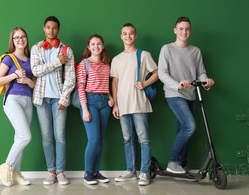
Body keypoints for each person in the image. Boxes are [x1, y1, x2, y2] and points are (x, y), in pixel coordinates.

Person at [158, 16, 215, 174]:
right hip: (174, 94)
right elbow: (162, 73)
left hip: (191, 95)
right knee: (190, 126)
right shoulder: (167, 49)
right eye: (181, 28)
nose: (184, 31)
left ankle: (182, 163)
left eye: (187, 29)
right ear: (175, 30)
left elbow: (201, 72)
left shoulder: (195, 51)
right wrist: (177, 85)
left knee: (183, 128)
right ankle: (173, 161)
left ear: (190, 31)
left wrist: (206, 82)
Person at [111, 23, 158, 186]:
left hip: (139, 103)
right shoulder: (116, 59)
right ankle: (131, 171)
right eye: (125, 34)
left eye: (131, 33)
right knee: (127, 138)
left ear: (135, 36)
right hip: (123, 105)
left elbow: (157, 73)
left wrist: (144, 84)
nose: (128, 36)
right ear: (121, 36)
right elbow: (115, 82)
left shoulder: (143, 55)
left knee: (143, 139)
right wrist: (115, 104)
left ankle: (144, 172)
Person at [30, 16, 75, 185]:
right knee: (46, 136)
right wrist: (57, 62)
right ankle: (51, 172)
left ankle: (61, 172)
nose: (51, 31)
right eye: (48, 27)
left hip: (59, 100)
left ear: (58, 30)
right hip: (41, 99)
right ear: (44, 29)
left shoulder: (66, 50)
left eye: (54, 28)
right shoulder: (36, 48)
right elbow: (36, 70)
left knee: (60, 136)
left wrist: (64, 98)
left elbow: (71, 77)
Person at [0, 27, 36, 187]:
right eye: (17, 37)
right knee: (26, 136)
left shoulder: (32, 59)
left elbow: (34, 84)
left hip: (27, 100)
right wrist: (15, 75)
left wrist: (26, 81)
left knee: (20, 137)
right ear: (12, 41)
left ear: (26, 39)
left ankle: (16, 172)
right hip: (13, 100)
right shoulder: (9, 58)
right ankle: (7, 165)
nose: (20, 40)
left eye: (23, 37)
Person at [77, 34, 114, 185]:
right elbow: (80, 88)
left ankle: (95, 172)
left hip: (104, 103)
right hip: (90, 102)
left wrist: (111, 97)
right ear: (88, 47)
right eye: (93, 44)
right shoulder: (84, 64)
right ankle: (87, 174)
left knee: (99, 140)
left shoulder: (106, 65)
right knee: (93, 140)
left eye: (99, 44)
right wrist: (85, 109)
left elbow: (106, 84)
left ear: (103, 46)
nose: (96, 47)